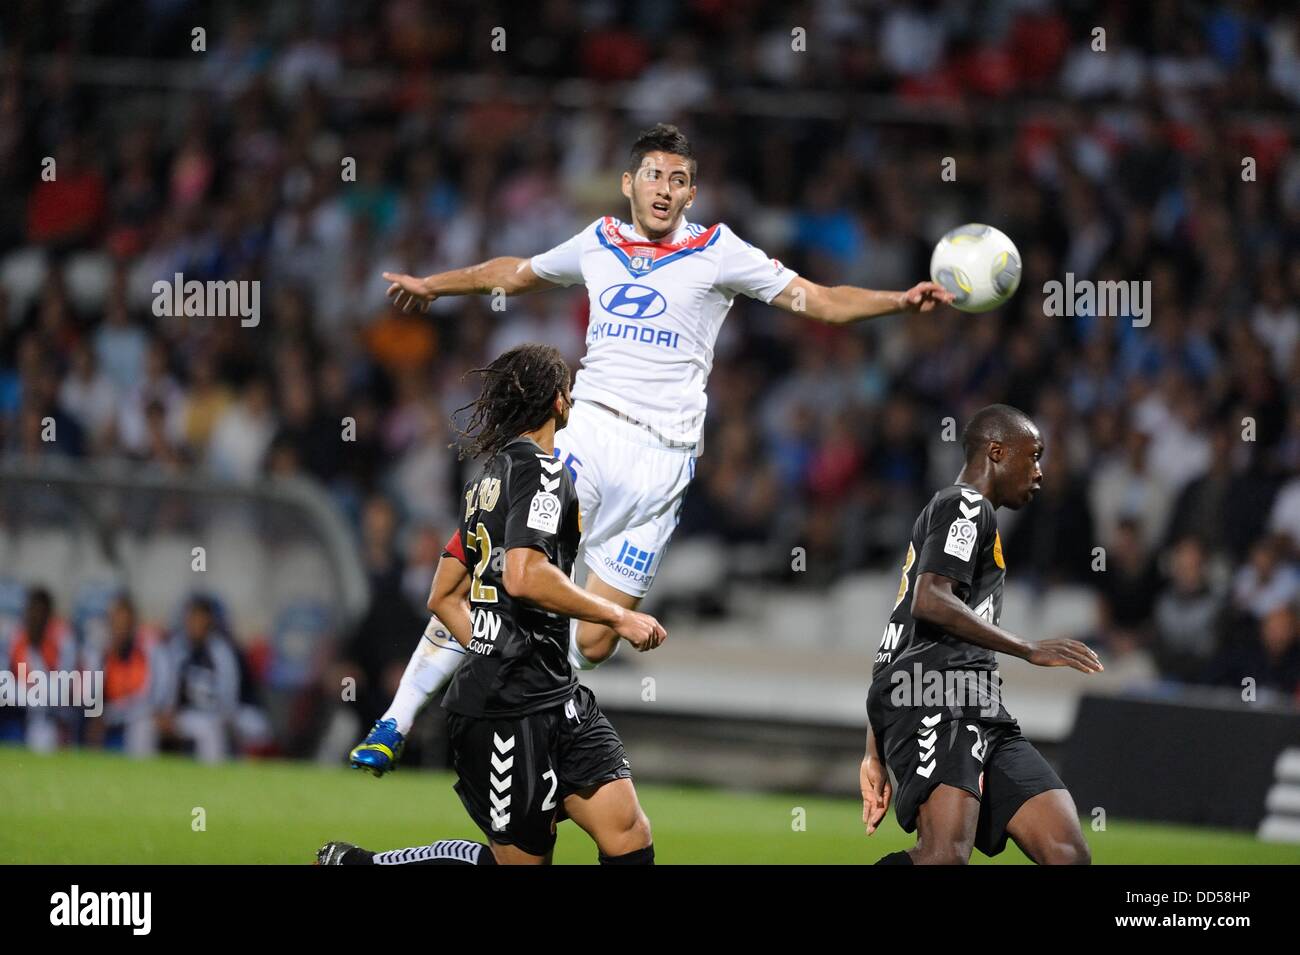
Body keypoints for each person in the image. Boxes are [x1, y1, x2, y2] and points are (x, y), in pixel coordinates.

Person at [352, 122, 952, 773]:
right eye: (653, 175)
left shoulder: (721, 252)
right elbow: (517, 274)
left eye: (677, 179)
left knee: (594, 640)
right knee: (495, 571)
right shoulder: (599, 241)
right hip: (591, 437)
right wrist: (436, 284)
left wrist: (898, 300)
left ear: (692, 191)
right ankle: (397, 718)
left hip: (664, 470)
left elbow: (821, 300)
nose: (664, 189)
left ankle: (508, 663)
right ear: (627, 183)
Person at [320, 344, 665, 865]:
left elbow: (443, 593)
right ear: (556, 401)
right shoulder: (542, 472)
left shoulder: (488, 478)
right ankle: (363, 864)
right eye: (566, 387)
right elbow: (526, 576)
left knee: (628, 833)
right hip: (504, 711)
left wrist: (493, 641)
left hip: (555, 695)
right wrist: (618, 614)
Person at [861, 404, 1103, 864]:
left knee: (1068, 854)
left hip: (979, 703)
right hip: (939, 697)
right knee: (943, 856)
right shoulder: (965, 505)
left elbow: (897, 636)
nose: (1039, 472)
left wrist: (874, 748)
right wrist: (1027, 647)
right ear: (996, 452)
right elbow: (929, 600)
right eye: (1032, 456)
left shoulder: (960, 512)